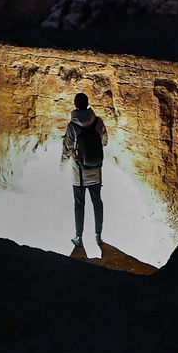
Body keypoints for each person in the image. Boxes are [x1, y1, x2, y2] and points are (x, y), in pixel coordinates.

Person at [62, 91, 108, 250]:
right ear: (88, 104)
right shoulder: (98, 122)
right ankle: (98, 235)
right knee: (97, 203)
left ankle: (79, 237)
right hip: (96, 171)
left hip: (79, 174)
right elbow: (105, 141)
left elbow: (67, 149)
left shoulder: (72, 126)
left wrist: (62, 163)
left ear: (75, 105)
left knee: (79, 205)